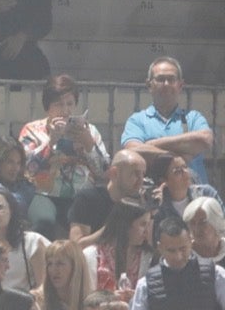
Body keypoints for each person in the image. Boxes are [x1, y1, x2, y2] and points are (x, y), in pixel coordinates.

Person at [19, 74, 112, 235]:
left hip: (81, 194)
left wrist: (88, 144)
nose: (65, 110)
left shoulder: (89, 131)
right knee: (44, 221)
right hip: (44, 193)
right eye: (58, 104)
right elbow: (26, 168)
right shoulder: (32, 130)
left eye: (70, 104)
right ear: (48, 107)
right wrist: (51, 141)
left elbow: (104, 171)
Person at [121, 57, 213, 187]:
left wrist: (151, 144)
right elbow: (133, 152)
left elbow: (205, 140)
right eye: (160, 79)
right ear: (149, 85)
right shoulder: (137, 120)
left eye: (171, 79)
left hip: (194, 196)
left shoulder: (194, 118)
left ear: (180, 85)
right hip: (153, 196)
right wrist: (179, 157)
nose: (166, 84)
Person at [68, 149, 147, 245]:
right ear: (114, 173)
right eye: (135, 173)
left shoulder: (142, 204)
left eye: (143, 174)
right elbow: (77, 246)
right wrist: (111, 226)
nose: (141, 180)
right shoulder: (88, 199)